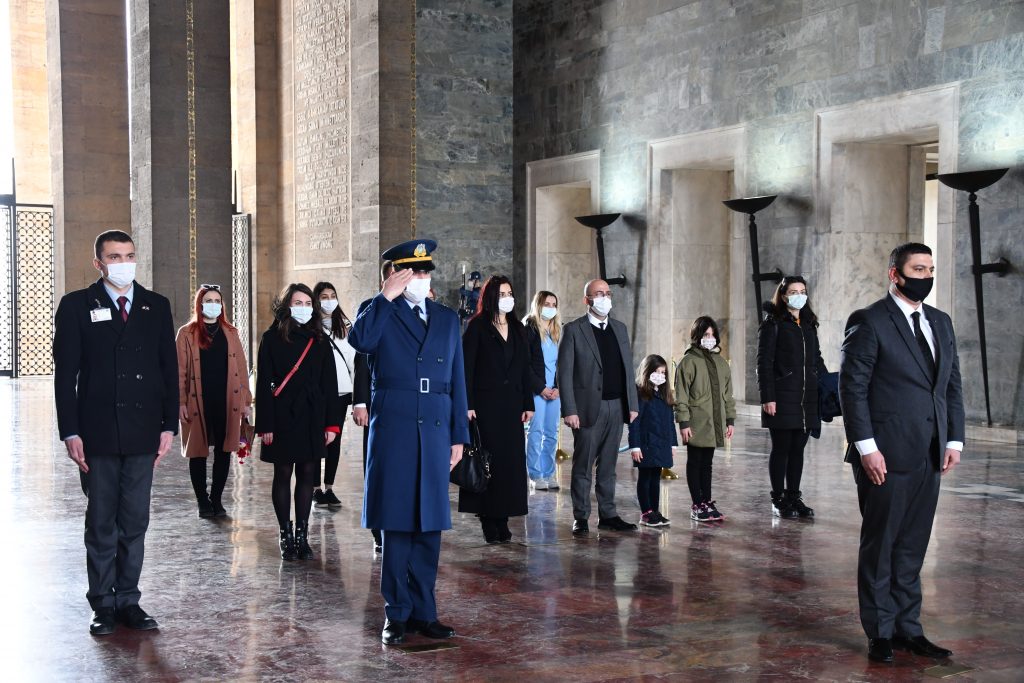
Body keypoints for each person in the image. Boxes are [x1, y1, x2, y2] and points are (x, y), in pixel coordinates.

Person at [839, 242, 964, 664]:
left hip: (930, 453)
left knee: (912, 546)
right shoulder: (869, 321)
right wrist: (866, 448)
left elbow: (950, 385)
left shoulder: (941, 322)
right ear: (895, 274)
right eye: (917, 269)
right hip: (884, 455)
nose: (925, 276)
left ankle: (909, 629)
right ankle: (880, 632)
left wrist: (954, 440)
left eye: (930, 269)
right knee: (882, 545)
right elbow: (852, 389)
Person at [53, 229, 177, 636]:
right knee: (102, 521)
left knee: (135, 519)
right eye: (114, 257)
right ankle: (102, 604)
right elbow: (65, 376)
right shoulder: (76, 306)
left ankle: (128, 599)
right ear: (99, 263)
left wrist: (169, 425)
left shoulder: (156, 306)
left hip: (143, 430)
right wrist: (70, 431)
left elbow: (168, 369)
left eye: (129, 255)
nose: (124, 263)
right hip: (98, 431)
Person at [348, 239, 469, 646]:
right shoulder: (376, 309)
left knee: (430, 525)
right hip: (395, 427)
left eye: (425, 271)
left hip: (435, 428)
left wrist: (459, 435)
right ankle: (396, 613)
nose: (421, 277)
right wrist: (386, 296)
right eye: (413, 271)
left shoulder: (446, 318)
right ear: (394, 274)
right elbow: (361, 341)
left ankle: (424, 613)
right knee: (397, 524)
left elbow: (458, 380)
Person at [255, 283, 341, 561]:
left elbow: (329, 385)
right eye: (297, 303)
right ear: (286, 306)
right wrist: (265, 424)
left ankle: (302, 535)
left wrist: (332, 425)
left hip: (312, 416)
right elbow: (263, 384)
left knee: (307, 473)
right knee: (282, 474)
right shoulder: (271, 338)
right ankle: (285, 533)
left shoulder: (320, 340)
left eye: (307, 304)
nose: (303, 308)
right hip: (281, 416)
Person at [460, 276, 541, 543]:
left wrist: (528, 403)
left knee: (510, 464)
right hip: (485, 406)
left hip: (512, 406)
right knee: (488, 462)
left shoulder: (518, 328)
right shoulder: (477, 327)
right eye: (502, 293)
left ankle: (503, 517)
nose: (507, 298)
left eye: (510, 293)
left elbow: (524, 369)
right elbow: (466, 369)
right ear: (491, 297)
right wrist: (468, 404)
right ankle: (488, 518)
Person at [557, 279, 639, 536]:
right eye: (599, 294)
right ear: (587, 300)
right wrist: (569, 410)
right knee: (583, 466)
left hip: (617, 406)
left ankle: (608, 514)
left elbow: (628, 369)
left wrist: (632, 404)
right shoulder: (573, 330)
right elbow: (564, 373)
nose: (605, 298)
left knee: (609, 466)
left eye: (608, 293)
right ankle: (581, 517)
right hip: (587, 409)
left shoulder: (620, 328)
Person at [175, 284, 252, 518]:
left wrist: (246, 401)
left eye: (217, 301)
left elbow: (241, 368)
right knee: (197, 451)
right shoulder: (186, 333)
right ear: (199, 304)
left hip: (227, 400)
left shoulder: (231, 332)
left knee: (224, 449)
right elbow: (179, 371)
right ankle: (202, 501)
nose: (213, 305)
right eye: (208, 301)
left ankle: (217, 499)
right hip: (197, 400)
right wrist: (180, 402)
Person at [756, 276, 828, 518]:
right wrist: (767, 397)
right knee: (782, 448)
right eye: (793, 291)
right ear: (784, 295)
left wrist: (826, 384)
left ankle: (793, 496)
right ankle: (778, 498)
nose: (799, 295)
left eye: (802, 291)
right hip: (782, 396)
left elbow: (816, 359)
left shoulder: (809, 324)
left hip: (807, 398)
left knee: (798, 449)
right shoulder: (773, 323)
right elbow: (763, 363)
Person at [673, 316, 736, 522]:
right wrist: (684, 423)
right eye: (706, 334)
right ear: (697, 336)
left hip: (713, 422)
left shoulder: (721, 363)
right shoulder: (688, 362)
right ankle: (697, 504)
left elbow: (728, 395)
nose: (710, 338)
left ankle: (706, 501)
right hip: (695, 422)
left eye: (712, 335)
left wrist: (730, 419)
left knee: (707, 464)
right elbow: (681, 396)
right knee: (695, 461)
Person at [352, 260, 394, 553]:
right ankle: (379, 531)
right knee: (376, 468)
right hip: (378, 404)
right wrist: (360, 401)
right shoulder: (371, 307)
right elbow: (362, 359)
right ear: (384, 281)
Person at [312, 281, 356, 510]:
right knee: (316, 438)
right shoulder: (310, 326)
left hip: (340, 392)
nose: (329, 300)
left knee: (334, 440)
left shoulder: (345, 326)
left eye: (332, 296)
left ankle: (329, 487)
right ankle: (314, 488)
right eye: (324, 296)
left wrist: (357, 394)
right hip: (317, 392)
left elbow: (353, 360)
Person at [628, 354, 677, 527]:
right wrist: (635, 446)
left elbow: (670, 422)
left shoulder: (665, 395)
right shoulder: (640, 394)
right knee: (645, 477)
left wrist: (673, 443)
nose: (660, 376)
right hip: (646, 444)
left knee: (656, 478)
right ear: (647, 372)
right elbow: (634, 423)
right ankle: (646, 512)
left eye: (663, 373)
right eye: (656, 372)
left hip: (662, 444)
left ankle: (654, 511)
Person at [523, 290, 561, 490]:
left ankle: (549, 473)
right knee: (536, 432)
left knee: (552, 433)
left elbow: (562, 363)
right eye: (547, 304)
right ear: (538, 305)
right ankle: (535, 474)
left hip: (555, 391)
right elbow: (525, 363)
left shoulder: (557, 330)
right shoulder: (529, 328)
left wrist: (558, 388)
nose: (551, 308)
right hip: (537, 390)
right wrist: (541, 388)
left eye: (554, 305)